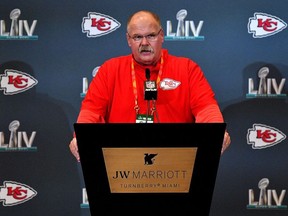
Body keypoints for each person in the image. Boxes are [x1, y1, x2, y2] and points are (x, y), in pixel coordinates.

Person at [69, 10, 231, 161]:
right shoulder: (110, 70)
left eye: (151, 36)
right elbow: (91, 111)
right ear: (128, 40)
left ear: (162, 36)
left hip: (175, 161)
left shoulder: (187, 68)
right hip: (122, 162)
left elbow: (206, 108)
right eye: (137, 37)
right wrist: (80, 138)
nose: (144, 43)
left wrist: (216, 133)